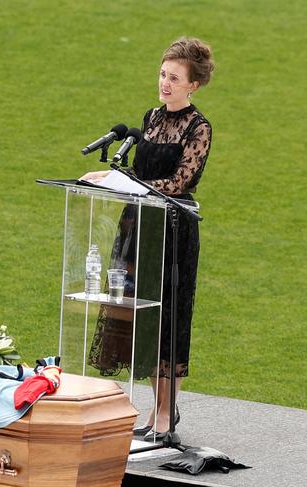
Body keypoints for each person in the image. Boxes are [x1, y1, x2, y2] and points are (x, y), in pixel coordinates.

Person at [80, 37, 215, 440]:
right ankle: (156, 411)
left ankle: (164, 414)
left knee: (169, 318)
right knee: (141, 315)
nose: (165, 83)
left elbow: (181, 181)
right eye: (162, 74)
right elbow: (139, 174)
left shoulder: (198, 127)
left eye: (174, 78)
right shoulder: (151, 119)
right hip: (137, 226)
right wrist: (111, 177)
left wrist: (133, 185)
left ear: (193, 85)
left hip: (173, 231)